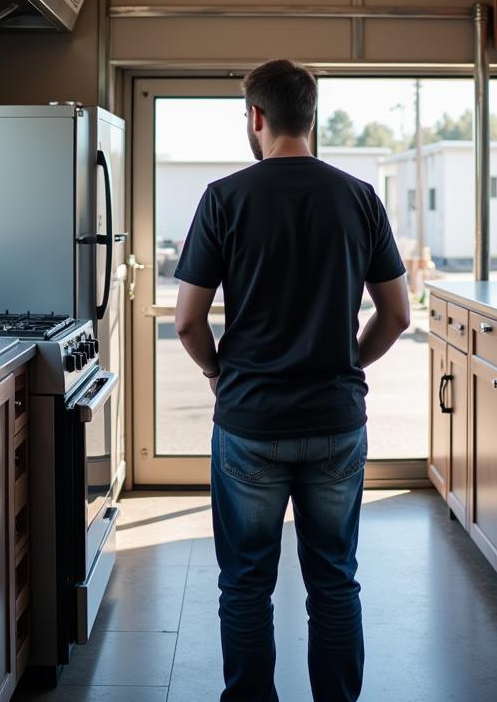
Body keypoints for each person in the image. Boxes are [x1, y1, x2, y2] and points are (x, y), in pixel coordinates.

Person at [173, 58, 411, 702]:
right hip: (335, 421)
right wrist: (349, 363)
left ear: (256, 117)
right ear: (312, 118)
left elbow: (189, 322)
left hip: (250, 422)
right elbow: (397, 315)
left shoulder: (224, 198)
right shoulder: (360, 197)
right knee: (335, 580)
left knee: (246, 583)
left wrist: (219, 376)